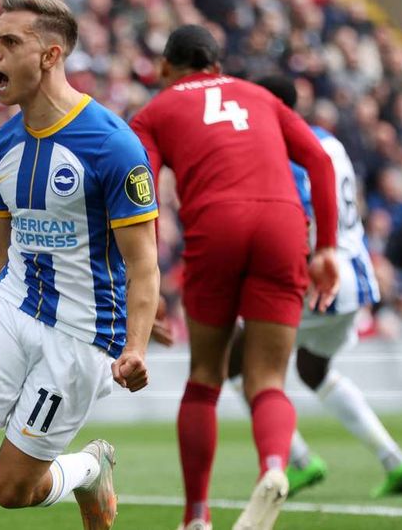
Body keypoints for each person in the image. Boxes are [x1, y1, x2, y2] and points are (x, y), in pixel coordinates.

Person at [0, 0, 160, 530]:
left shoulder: (112, 146)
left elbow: (143, 264)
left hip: (80, 332)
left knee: (11, 490)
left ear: (50, 55)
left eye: (8, 42)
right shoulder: (3, 145)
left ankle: (89, 469)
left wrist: (136, 347)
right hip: (12, 307)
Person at [130, 26, 340, 530]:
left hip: (216, 224)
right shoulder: (260, 96)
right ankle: (274, 466)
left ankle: (196, 517)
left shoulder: (154, 113)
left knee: (205, 377)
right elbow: (318, 160)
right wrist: (326, 248)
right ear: (217, 66)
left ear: (164, 67)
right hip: (283, 225)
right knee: (268, 380)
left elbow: (142, 190)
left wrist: (146, 280)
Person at [228, 76, 402, 501]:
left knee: (238, 363)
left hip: (317, 281)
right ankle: (395, 460)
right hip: (355, 278)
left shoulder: (284, 151)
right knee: (312, 369)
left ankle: (296, 462)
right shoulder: (328, 140)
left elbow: (299, 224)